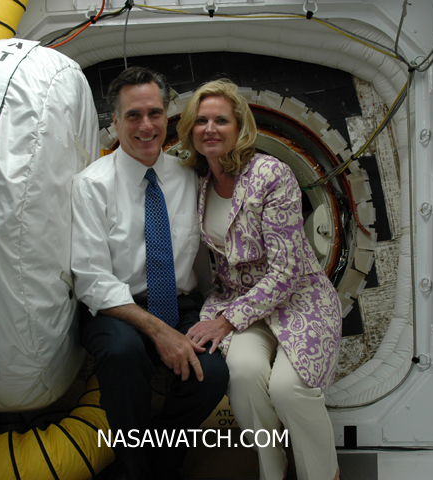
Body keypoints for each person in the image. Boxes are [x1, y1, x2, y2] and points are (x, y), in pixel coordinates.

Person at [177, 79, 342, 480]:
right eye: (201, 120)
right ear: (190, 129)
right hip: (238, 300)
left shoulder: (271, 174)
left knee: (289, 389)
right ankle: (273, 472)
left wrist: (225, 322)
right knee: (245, 376)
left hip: (299, 298)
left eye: (221, 120)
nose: (210, 128)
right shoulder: (199, 183)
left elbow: (286, 270)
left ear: (240, 127)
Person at [71, 67, 229, 480]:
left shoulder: (190, 178)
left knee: (212, 374)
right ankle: (135, 468)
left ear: (167, 116)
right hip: (118, 309)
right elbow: (91, 278)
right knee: (122, 354)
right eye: (133, 115)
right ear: (115, 122)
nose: (146, 126)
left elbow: (206, 259)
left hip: (181, 304)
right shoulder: (92, 186)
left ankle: (161, 458)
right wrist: (160, 332)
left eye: (154, 113)